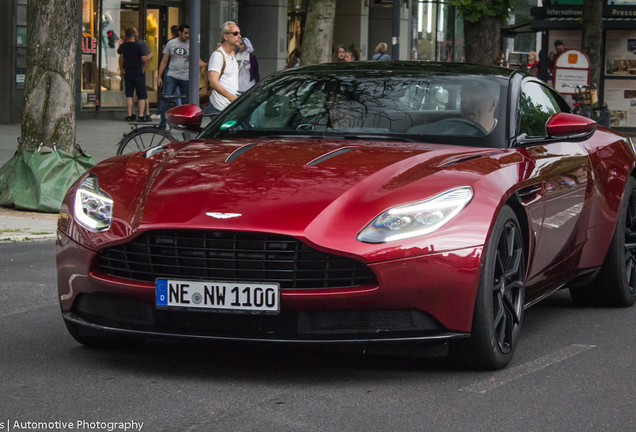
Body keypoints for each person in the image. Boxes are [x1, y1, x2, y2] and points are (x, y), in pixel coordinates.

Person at [408, 80, 499, 136]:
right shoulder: (448, 133)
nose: (466, 104)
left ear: (493, 104)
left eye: (474, 98)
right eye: (463, 98)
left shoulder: (505, 139)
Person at [157, 24, 191, 128]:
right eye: (185, 33)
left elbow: (196, 60)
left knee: (186, 101)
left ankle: (186, 123)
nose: (187, 35)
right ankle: (163, 123)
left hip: (185, 75)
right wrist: (159, 76)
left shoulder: (191, 44)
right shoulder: (171, 43)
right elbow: (164, 60)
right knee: (166, 98)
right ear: (180, 32)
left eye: (189, 33)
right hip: (172, 74)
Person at [118, 27, 152, 122]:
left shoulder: (123, 46)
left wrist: (122, 69)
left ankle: (130, 115)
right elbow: (144, 59)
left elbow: (120, 55)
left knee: (129, 95)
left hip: (128, 72)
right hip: (138, 72)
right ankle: (141, 116)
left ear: (125, 36)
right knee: (141, 95)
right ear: (134, 35)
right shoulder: (138, 46)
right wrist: (150, 56)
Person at [208, 21, 241, 113]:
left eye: (239, 33)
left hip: (230, 106)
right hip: (219, 108)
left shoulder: (233, 54)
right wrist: (230, 96)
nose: (239, 36)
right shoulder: (218, 56)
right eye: (235, 33)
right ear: (225, 36)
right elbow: (213, 82)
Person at [131, 26, 152, 121]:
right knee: (133, 94)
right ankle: (134, 113)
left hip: (139, 72)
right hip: (133, 71)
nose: (134, 34)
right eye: (132, 32)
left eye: (135, 32)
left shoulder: (142, 44)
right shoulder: (128, 43)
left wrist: (143, 69)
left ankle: (146, 113)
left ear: (138, 33)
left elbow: (146, 58)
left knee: (143, 94)